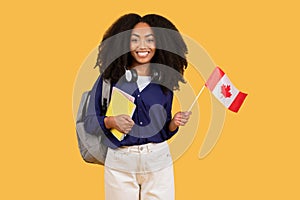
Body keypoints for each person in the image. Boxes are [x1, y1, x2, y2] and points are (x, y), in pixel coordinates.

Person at [85, 13, 191, 200]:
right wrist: (111, 121)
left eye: (150, 40)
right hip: (120, 159)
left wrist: (174, 123)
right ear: (124, 44)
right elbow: (89, 122)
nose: (143, 46)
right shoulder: (110, 80)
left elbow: (164, 131)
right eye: (135, 40)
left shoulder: (164, 82)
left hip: (158, 158)